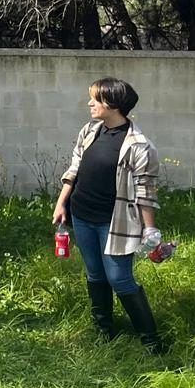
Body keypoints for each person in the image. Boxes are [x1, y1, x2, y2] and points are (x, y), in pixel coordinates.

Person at [52, 78, 164, 353]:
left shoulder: (139, 145)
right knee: (95, 274)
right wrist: (61, 203)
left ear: (112, 105)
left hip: (115, 223)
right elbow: (74, 168)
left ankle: (151, 341)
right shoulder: (90, 130)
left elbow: (145, 192)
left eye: (96, 99)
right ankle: (104, 331)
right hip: (81, 215)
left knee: (119, 278)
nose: (90, 103)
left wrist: (150, 231)